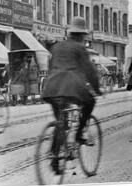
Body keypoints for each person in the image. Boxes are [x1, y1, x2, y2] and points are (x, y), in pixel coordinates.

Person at [41, 17, 101, 174]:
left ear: (70, 33)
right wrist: (96, 88)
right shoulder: (80, 48)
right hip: (71, 87)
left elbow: (51, 66)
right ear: (82, 35)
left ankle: (55, 158)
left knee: (61, 121)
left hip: (52, 88)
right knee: (90, 102)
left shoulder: (56, 47)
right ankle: (80, 133)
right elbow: (89, 71)